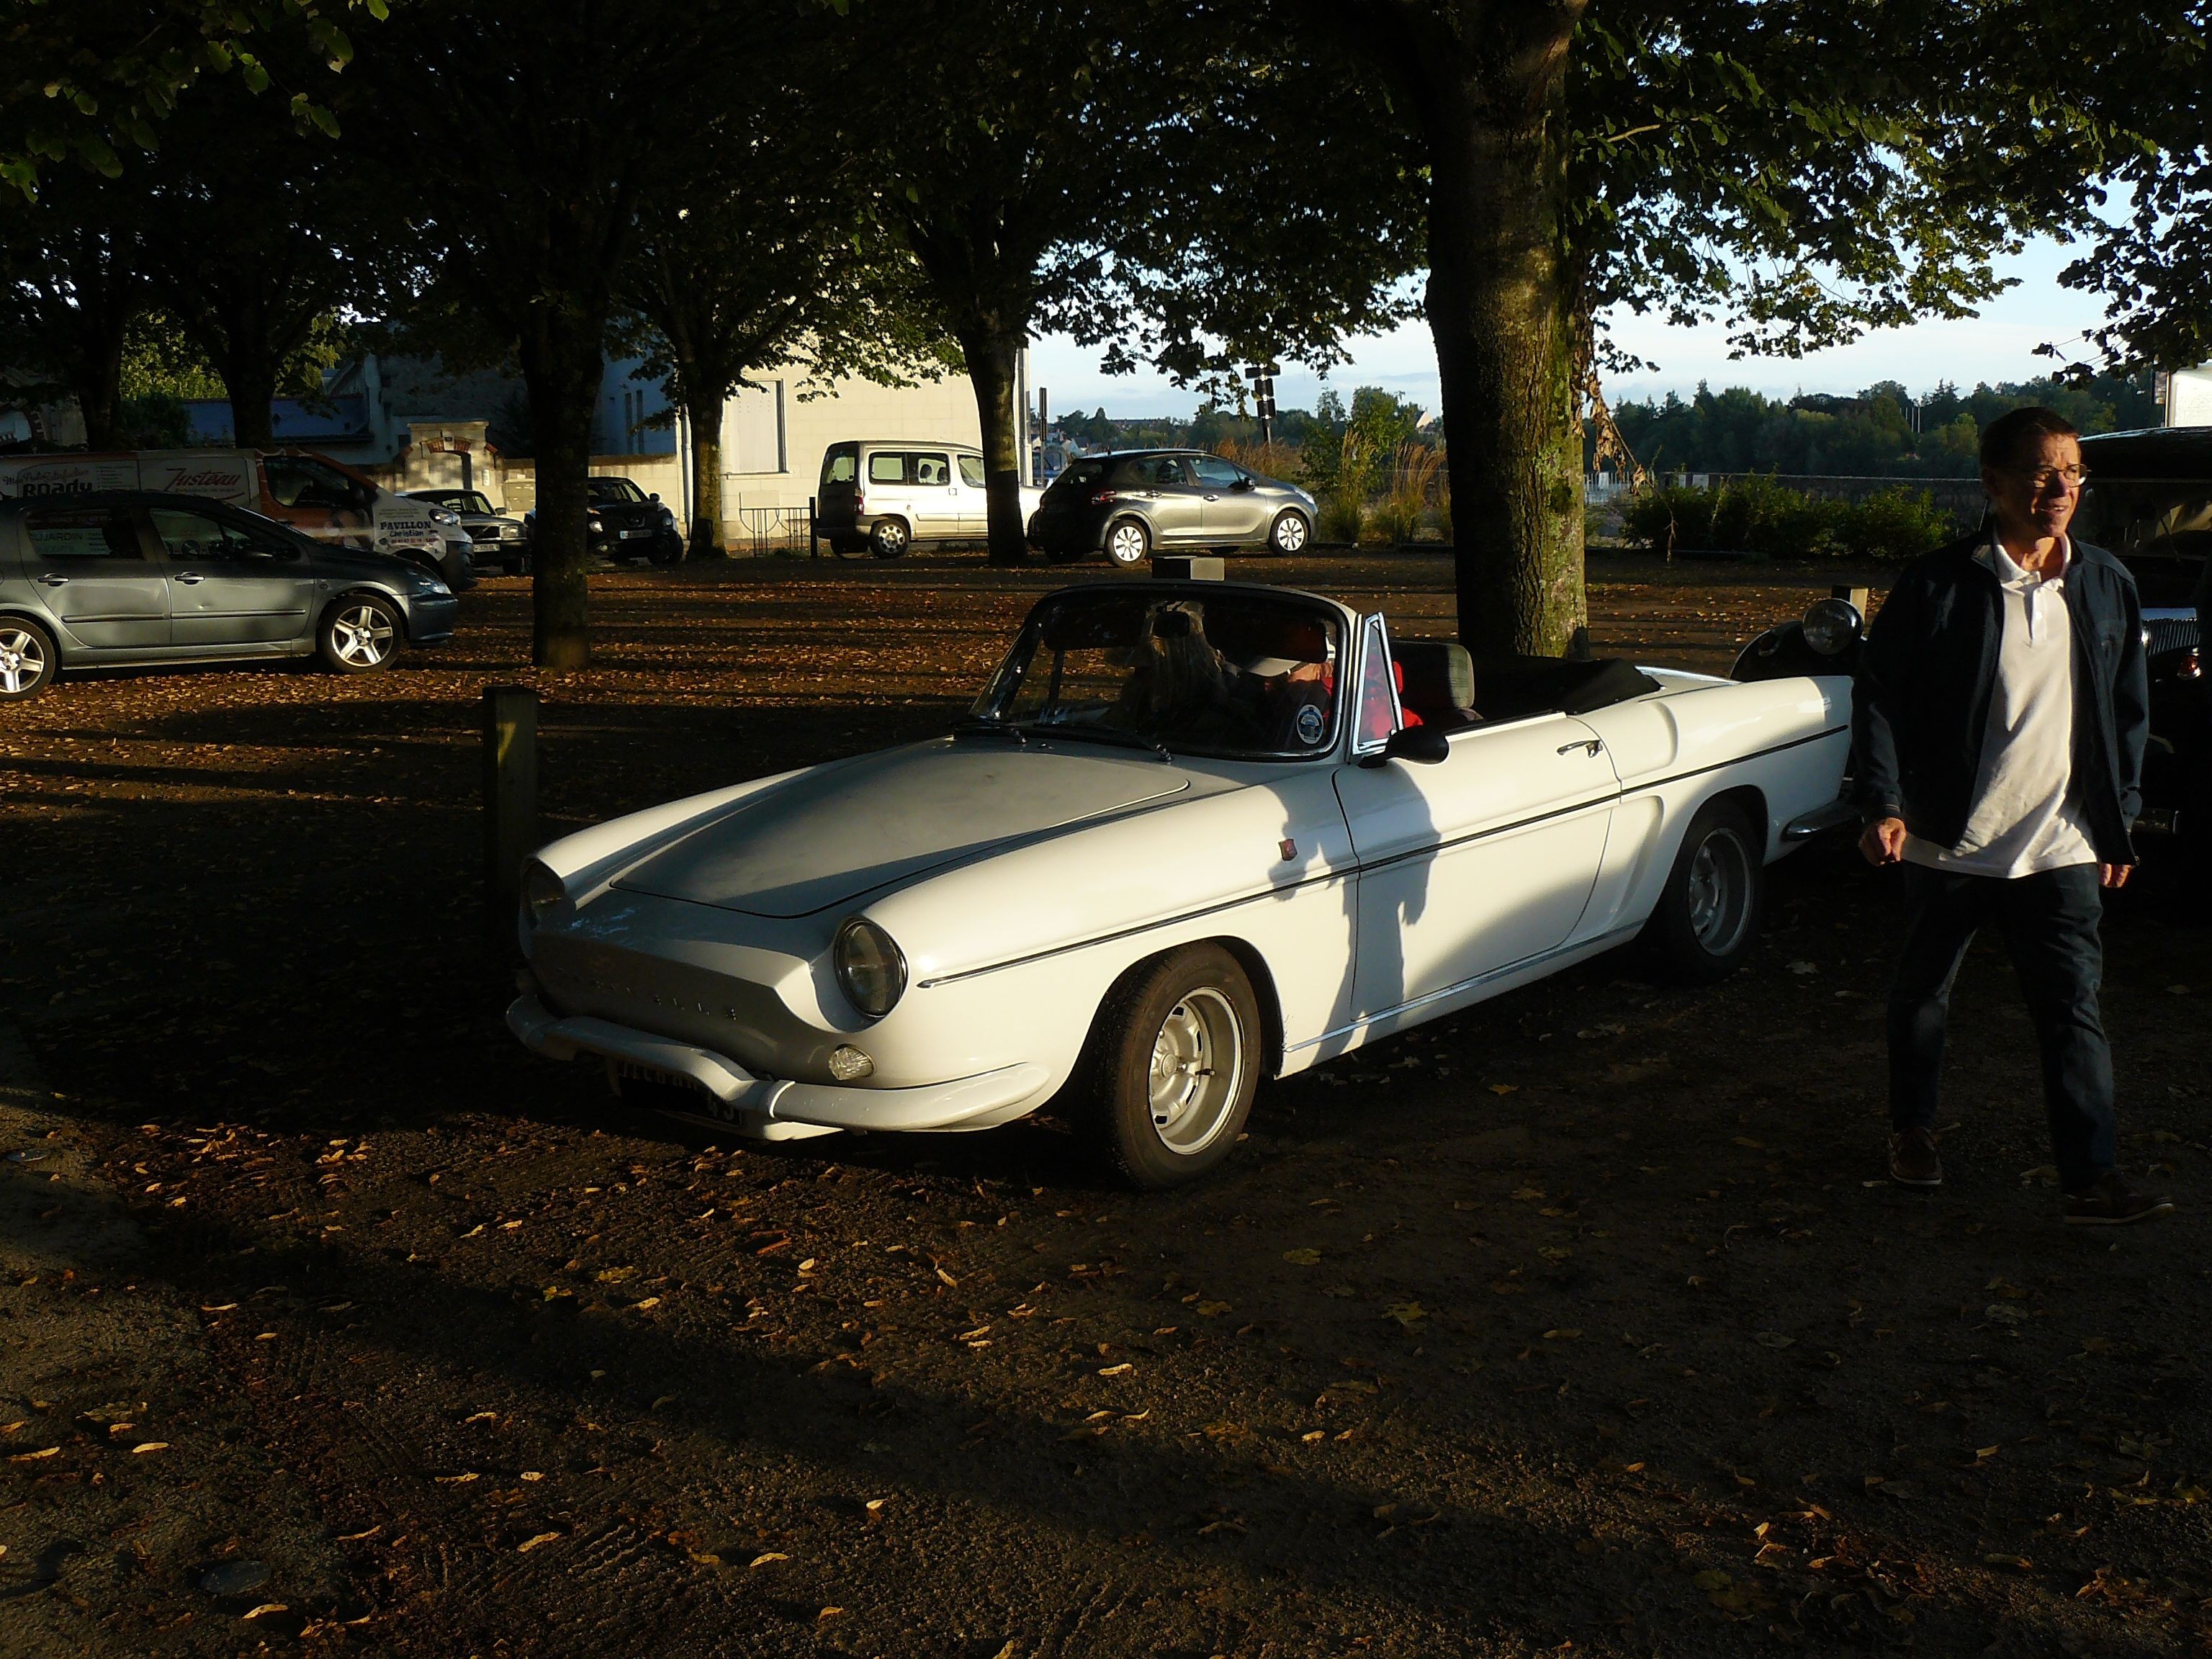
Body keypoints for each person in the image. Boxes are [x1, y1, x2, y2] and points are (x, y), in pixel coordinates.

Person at [1853, 405, 2171, 1225]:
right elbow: (1881, 698)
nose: (2059, 486)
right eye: (2039, 471)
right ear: (1992, 484)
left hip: (2060, 839)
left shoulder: (2104, 581)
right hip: (1947, 836)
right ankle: (1913, 1131)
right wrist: (1885, 802)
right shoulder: (1938, 583)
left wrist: (2118, 816)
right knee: (1923, 995)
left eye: (2071, 470)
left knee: (2072, 1005)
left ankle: (2091, 1177)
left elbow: (2127, 711)